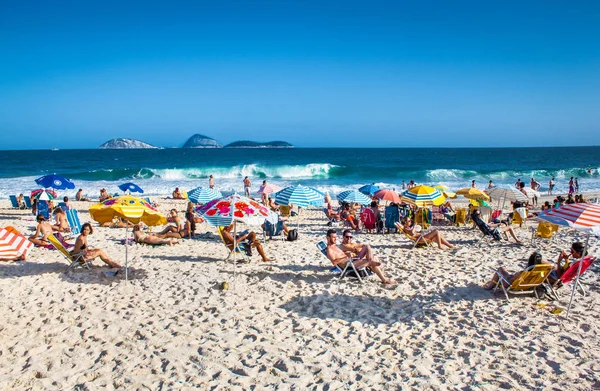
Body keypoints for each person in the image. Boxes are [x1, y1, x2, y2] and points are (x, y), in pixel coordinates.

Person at [325, 229, 394, 284]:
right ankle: (383, 279)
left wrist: (348, 255)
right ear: (328, 238)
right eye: (333, 237)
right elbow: (334, 262)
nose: (335, 239)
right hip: (348, 264)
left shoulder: (334, 246)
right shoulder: (329, 250)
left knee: (368, 251)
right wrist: (346, 258)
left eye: (336, 237)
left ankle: (383, 278)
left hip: (351, 260)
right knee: (369, 262)